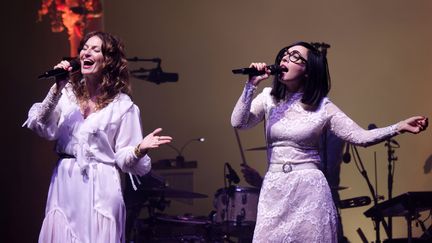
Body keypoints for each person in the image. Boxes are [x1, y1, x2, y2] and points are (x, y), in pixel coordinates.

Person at [231, 41, 428, 242]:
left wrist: (399, 127)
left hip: (309, 191)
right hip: (275, 189)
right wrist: (250, 85)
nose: (285, 58)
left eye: (294, 56)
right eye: (284, 54)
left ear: (308, 70)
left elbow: (360, 137)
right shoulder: (267, 99)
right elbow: (238, 122)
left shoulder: (322, 106)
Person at [24, 31, 172, 243]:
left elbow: (123, 159)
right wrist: (57, 88)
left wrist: (140, 149)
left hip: (102, 186)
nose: (87, 52)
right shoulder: (67, 95)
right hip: (66, 183)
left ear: (108, 61)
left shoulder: (122, 106)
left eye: (95, 49)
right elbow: (41, 125)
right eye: (84, 48)